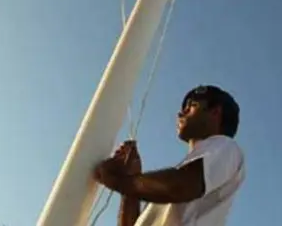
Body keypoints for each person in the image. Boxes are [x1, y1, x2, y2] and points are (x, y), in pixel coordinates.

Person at [94, 85, 245, 225]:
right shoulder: (174, 183)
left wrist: (117, 179)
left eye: (191, 105)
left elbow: (179, 187)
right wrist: (130, 182)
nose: (181, 112)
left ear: (215, 112)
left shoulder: (228, 147)